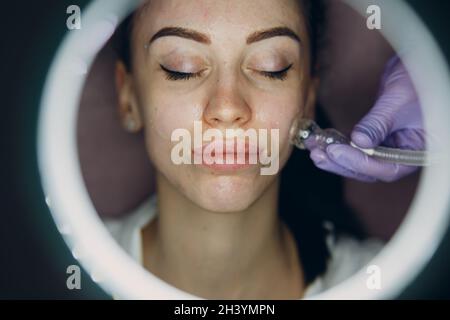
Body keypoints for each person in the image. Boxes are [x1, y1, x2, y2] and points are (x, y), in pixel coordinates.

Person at [105, 0, 382, 299]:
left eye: (272, 67)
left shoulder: (387, 279)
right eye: (181, 68)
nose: (227, 108)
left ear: (308, 96)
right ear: (128, 97)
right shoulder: (68, 268)